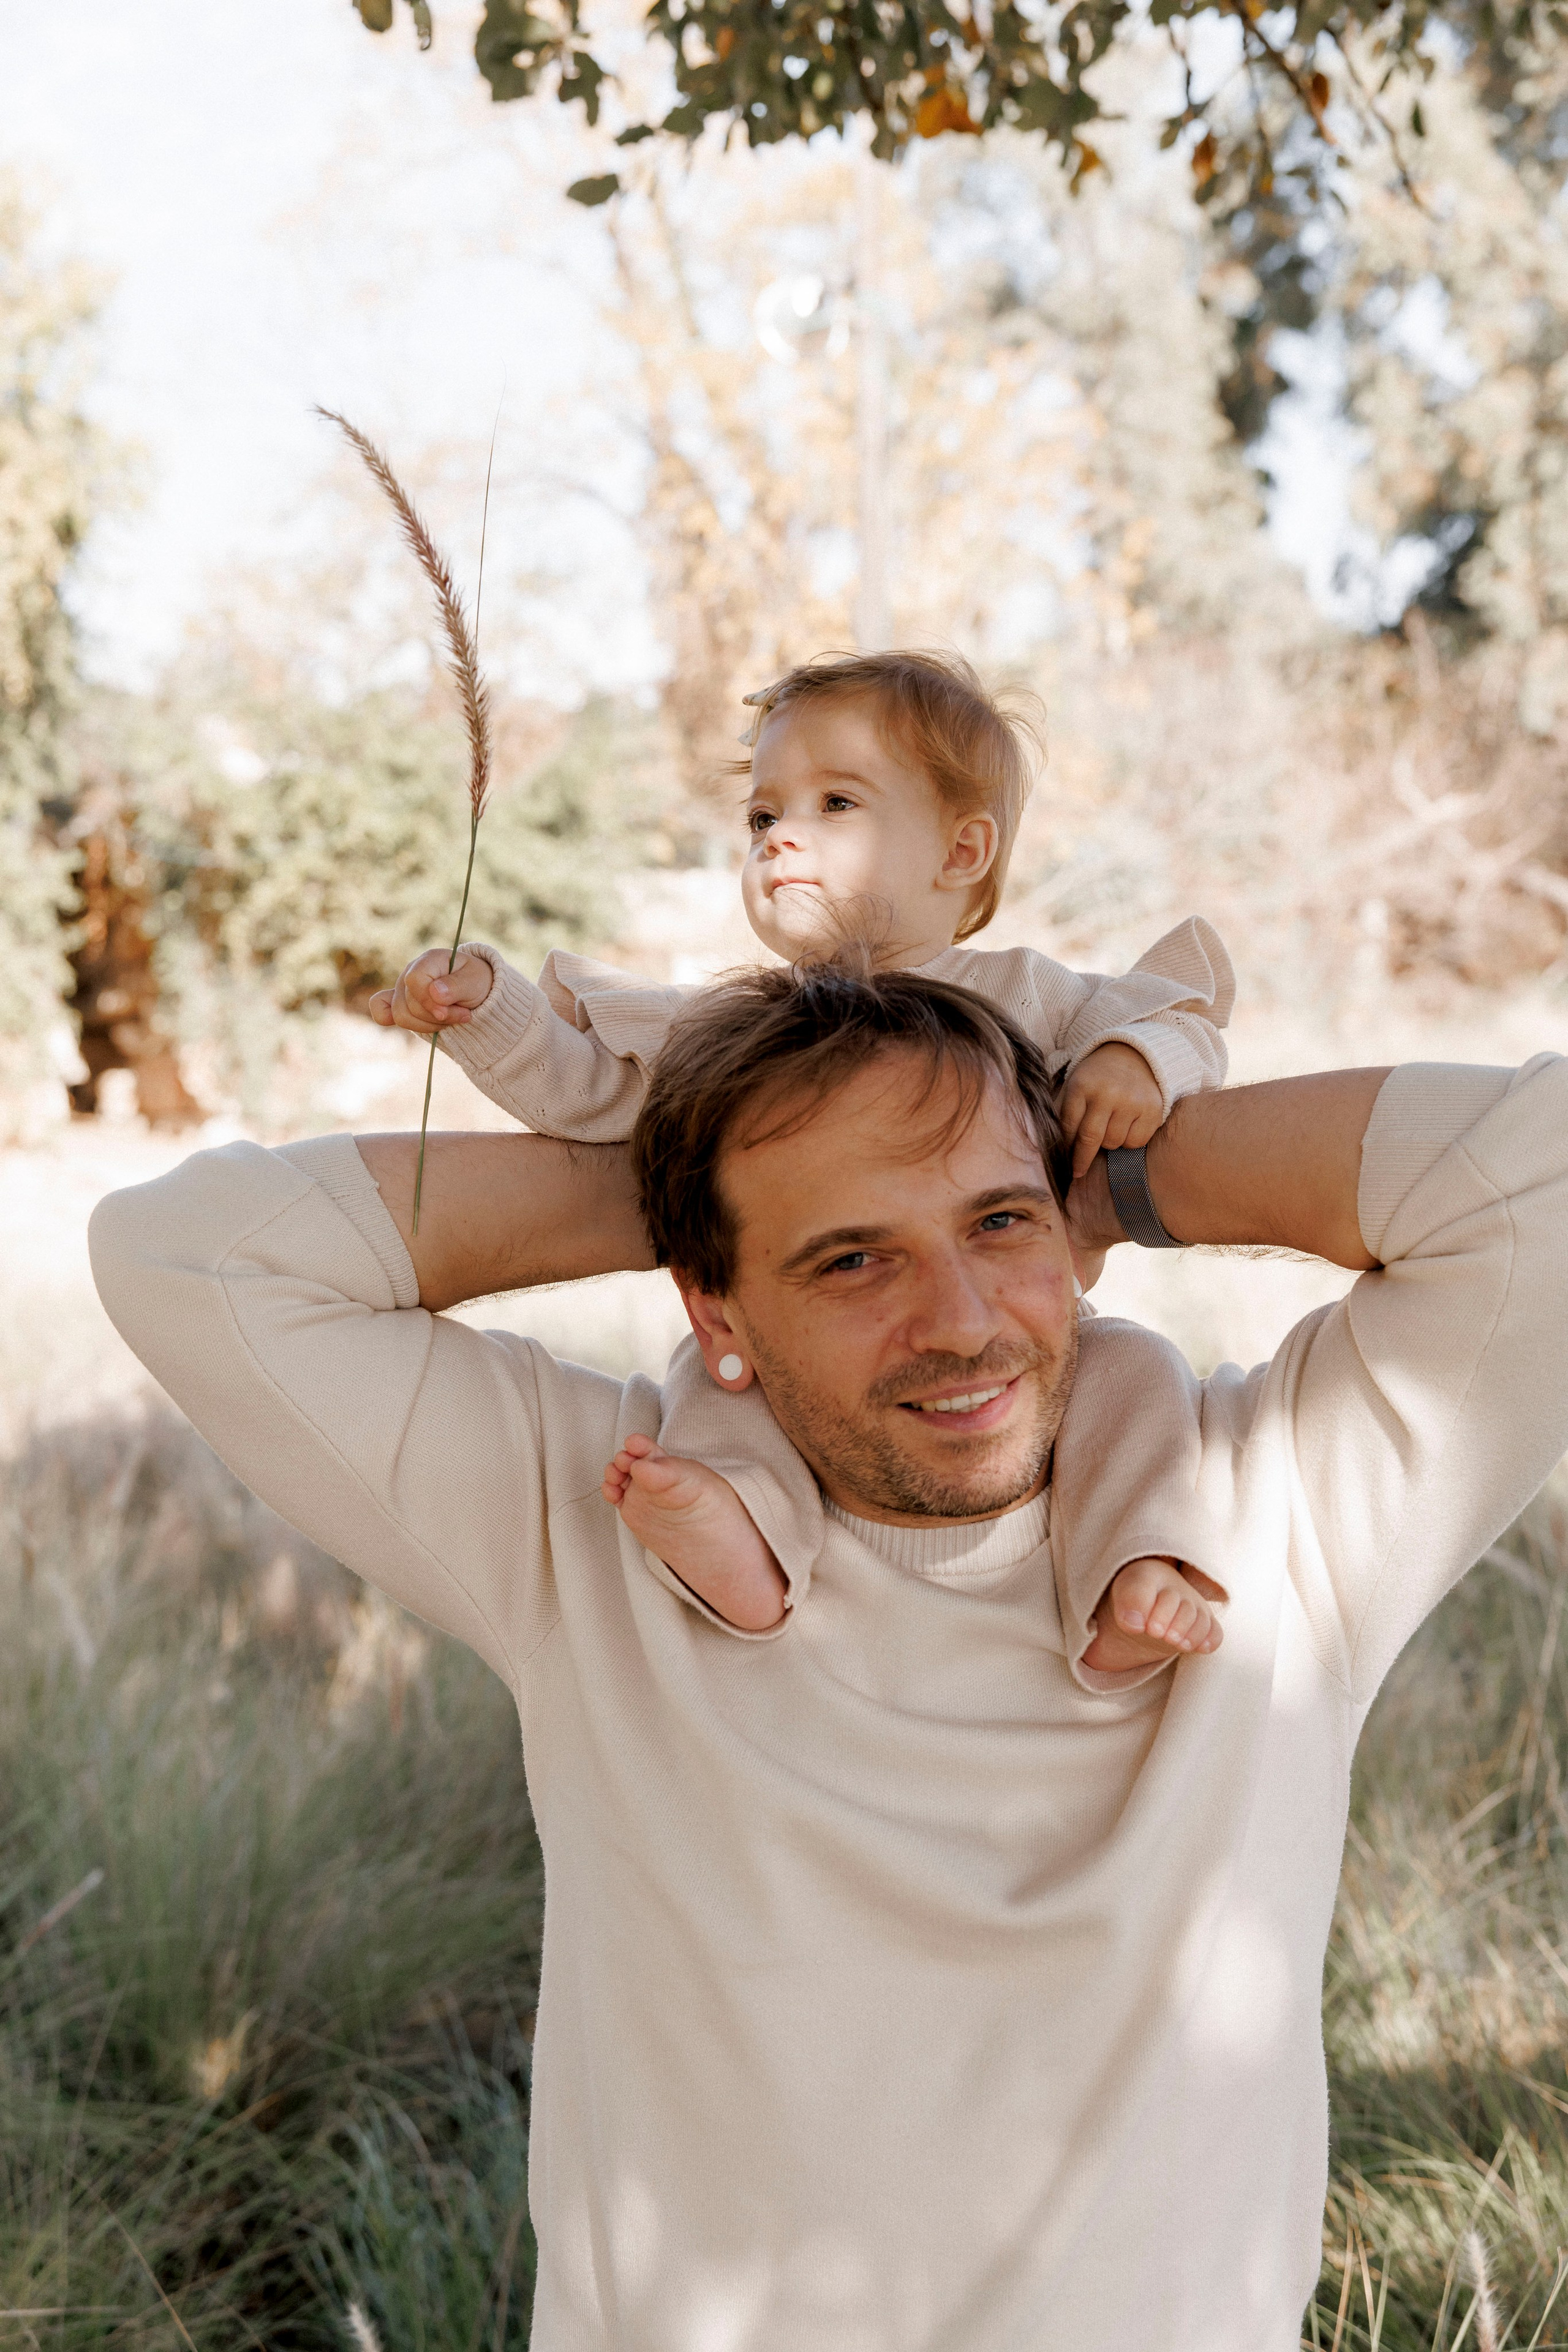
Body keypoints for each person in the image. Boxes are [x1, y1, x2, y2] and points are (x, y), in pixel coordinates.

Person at [89, 957, 1568, 2350]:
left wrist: (1107, 1172)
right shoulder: (609, 1521)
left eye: (999, 1225)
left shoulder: (1275, 1511)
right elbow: (186, 1254)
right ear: (713, 1312)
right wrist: (696, 1171)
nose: (960, 1323)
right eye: (850, 1257)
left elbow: (1539, 1168)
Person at [371, 649, 1234, 1667]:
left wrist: (1138, 1061)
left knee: (1138, 1375)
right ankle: (742, 1530)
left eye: (835, 803)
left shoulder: (1029, 996)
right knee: (722, 1379)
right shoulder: (748, 1036)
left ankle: (1134, 1569)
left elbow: (1182, 1018)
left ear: (962, 851)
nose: (779, 836)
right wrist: (492, 1012)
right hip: (818, 1348)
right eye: (761, 815)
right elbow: (592, 1094)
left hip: (1021, 1340)